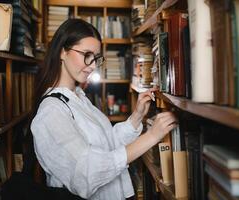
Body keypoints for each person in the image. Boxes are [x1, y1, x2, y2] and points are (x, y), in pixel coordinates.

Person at [30, 18, 177, 200]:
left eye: (96, 58)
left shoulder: (78, 97)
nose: (92, 65)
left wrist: (137, 116)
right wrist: (152, 136)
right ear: (62, 52)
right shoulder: (51, 112)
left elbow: (106, 145)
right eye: (87, 55)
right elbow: (87, 173)